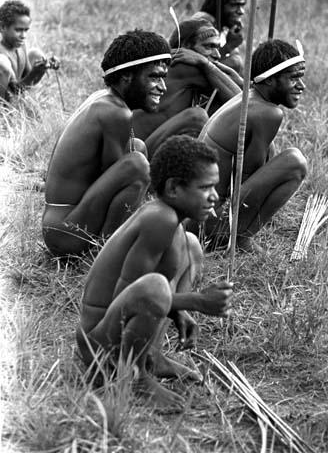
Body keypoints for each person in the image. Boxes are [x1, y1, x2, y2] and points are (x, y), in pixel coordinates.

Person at [76, 135, 233, 411]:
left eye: (215, 186)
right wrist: (197, 302)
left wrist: (179, 311)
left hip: (118, 323)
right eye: (205, 187)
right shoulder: (159, 219)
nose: (215, 196)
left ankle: (152, 355)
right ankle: (133, 376)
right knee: (157, 287)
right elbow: (128, 296)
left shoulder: (174, 222)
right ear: (173, 187)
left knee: (192, 247)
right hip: (99, 345)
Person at [42, 30, 171, 257]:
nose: (163, 87)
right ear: (126, 77)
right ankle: (108, 253)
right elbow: (121, 177)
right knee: (137, 165)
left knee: (137, 147)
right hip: (68, 234)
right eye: (154, 77)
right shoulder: (116, 112)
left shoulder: (104, 99)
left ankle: (111, 244)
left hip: (60, 224)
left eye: (163, 78)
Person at [198, 39, 307, 253]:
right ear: (268, 80)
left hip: (195, 215)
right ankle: (239, 239)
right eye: (294, 78)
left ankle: (234, 235)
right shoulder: (267, 113)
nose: (302, 86)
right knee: (295, 162)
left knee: (275, 153)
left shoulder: (249, 97)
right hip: (206, 223)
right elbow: (247, 179)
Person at [133, 17, 241, 157]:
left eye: (217, 48)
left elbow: (242, 92)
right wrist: (206, 64)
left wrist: (228, 73)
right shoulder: (183, 66)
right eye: (209, 47)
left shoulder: (177, 64)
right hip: (140, 152)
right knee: (196, 116)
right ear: (186, 48)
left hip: (146, 147)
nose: (217, 55)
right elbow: (243, 106)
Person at [0, 0, 55, 102]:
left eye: (26, 30)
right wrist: (34, 73)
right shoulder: (2, 54)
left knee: (36, 54)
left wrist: (43, 67)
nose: (23, 36)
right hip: (5, 102)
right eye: (18, 30)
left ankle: (25, 106)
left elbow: (26, 82)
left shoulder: (21, 46)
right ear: (2, 27)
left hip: (16, 96)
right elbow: (14, 89)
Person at [192, 0, 247, 74]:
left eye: (242, 5)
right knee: (234, 61)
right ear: (218, 5)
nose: (241, 11)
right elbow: (200, 67)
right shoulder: (202, 24)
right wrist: (229, 46)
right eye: (234, 5)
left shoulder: (221, 27)